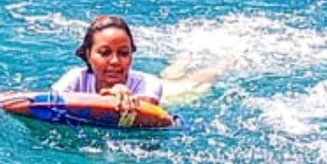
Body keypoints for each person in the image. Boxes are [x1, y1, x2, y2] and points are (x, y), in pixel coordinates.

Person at [50, 15, 224, 110]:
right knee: (171, 75)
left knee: (206, 77)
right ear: (88, 54)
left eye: (123, 53)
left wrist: (117, 92)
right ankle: (182, 60)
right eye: (105, 53)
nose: (115, 61)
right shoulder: (75, 78)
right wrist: (111, 93)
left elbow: (144, 111)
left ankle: (226, 60)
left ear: (131, 55)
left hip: (171, 95)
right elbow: (47, 102)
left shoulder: (149, 84)